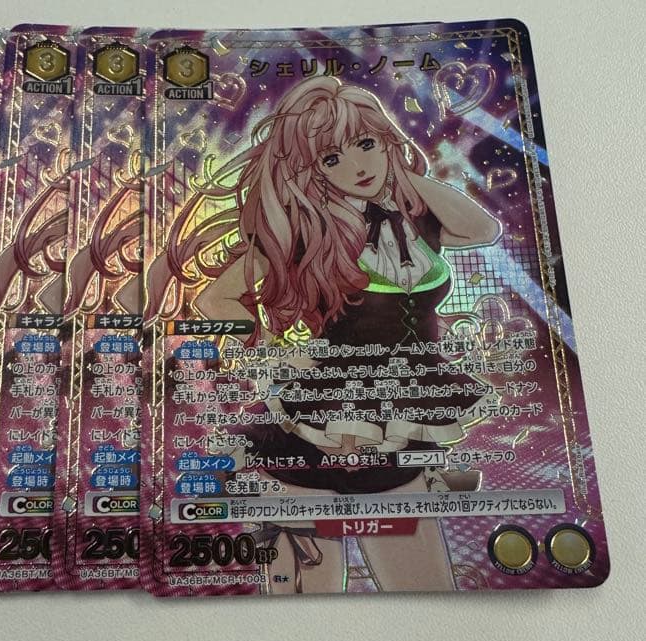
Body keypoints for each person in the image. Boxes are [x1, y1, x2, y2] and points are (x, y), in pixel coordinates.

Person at [150, 76, 501, 593]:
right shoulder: (305, 231)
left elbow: (484, 229)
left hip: (403, 410)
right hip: (324, 419)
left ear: (387, 139)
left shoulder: (419, 222)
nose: (357, 167)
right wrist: (277, 354)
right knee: (305, 597)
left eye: (367, 144)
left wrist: (402, 177)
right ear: (310, 170)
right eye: (331, 158)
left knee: (427, 591)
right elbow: (214, 300)